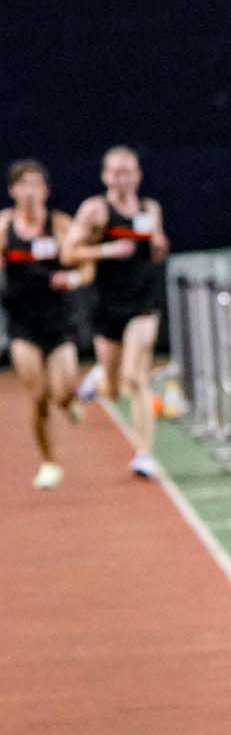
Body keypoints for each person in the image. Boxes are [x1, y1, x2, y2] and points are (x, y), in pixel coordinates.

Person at [63, 145, 169, 478]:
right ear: (106, 176)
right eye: (116, 172)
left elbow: (157, 250)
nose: (122, 178)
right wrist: (107, 249)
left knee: (135, 378)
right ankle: (99, 378)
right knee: (113, 387)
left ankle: (144, 453)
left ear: (138, 174)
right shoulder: (95, 210)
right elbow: (69, 252)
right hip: (107, 304)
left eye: (128, 171)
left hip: (143, 303)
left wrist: (158, 247)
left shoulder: (150, 208)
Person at [3, 160, 91, 489]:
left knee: (62, 391)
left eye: (36, 184)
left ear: (46, 190)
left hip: (59, 322)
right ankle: (49, 462)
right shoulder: (4, 226)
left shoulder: (61, 225)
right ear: (12, 190)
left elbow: (86, 269)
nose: (30, 191)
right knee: (38, 395)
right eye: (23, 184)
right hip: (22, 324)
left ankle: (71, 402)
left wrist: (71, 277)